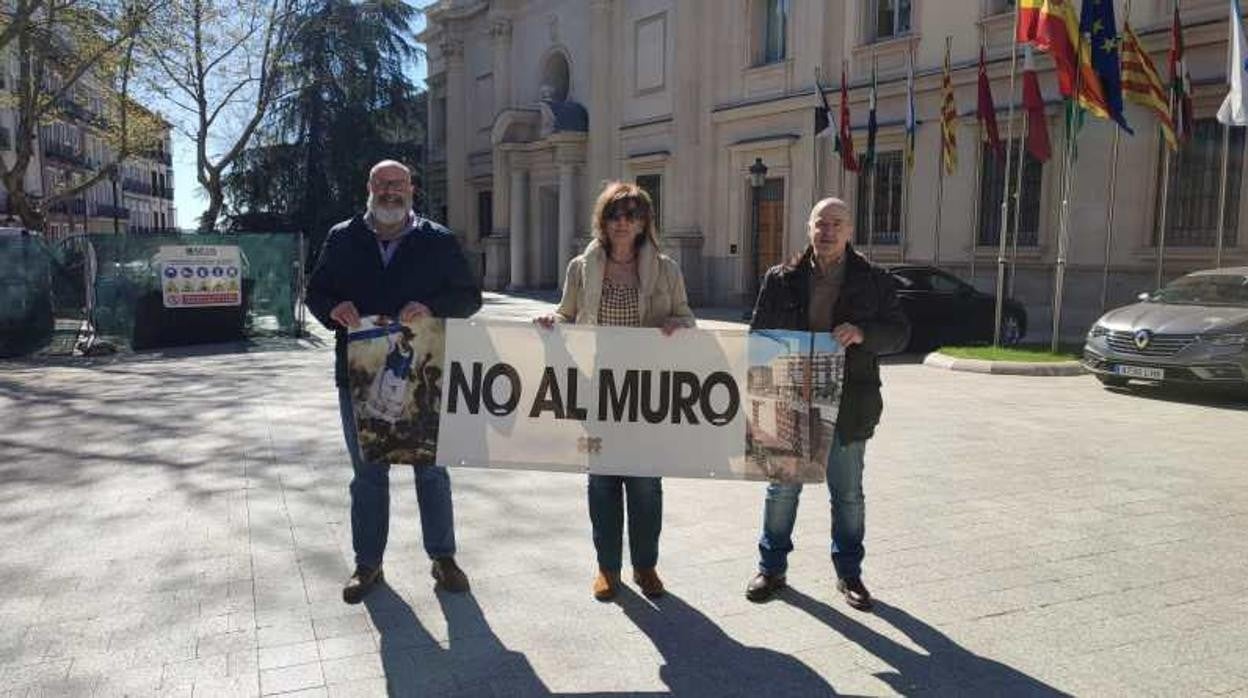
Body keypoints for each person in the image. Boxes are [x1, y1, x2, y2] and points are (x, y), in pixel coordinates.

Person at [306, 159, 482, 604]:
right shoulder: (342, 237)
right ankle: (368, 564)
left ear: (412, 189)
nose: (390, 191)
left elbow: (468, 297)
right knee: (367, 475)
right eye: (382, 184)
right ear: (369, 187)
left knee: (432, 471)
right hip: (359, 378)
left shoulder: (437, 240)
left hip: (424, 375)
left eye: (398, 184)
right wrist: (334, 308)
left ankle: (443, 558)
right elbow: (315, 292)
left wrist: (431, 306)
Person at [744, 197, 909, 611]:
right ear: (808, 228)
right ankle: (771, 567)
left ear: (851, 230)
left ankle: (849, 574)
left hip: (850, 403)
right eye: (821, 223)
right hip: (789, 401)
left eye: (837, 223)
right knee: (782, 489)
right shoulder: (780, 279)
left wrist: (863, 333)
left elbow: (900, 334)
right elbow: (758, 336)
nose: (828, 231)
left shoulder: (874, 280)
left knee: (848, 493)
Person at [535, 181, 695, 601]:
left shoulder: (667, 269)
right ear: (602, 221)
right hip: (597, 391)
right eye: (614, 214)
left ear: (644, 222)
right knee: (603, 483)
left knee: (644, 485)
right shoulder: (580, 268)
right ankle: (608, 569)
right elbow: (566, 314)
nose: (622, 222)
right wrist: (551, 321)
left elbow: (687, 319)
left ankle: (646, 566)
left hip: (646, 393)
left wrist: (678, 326)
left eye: (631, 214)